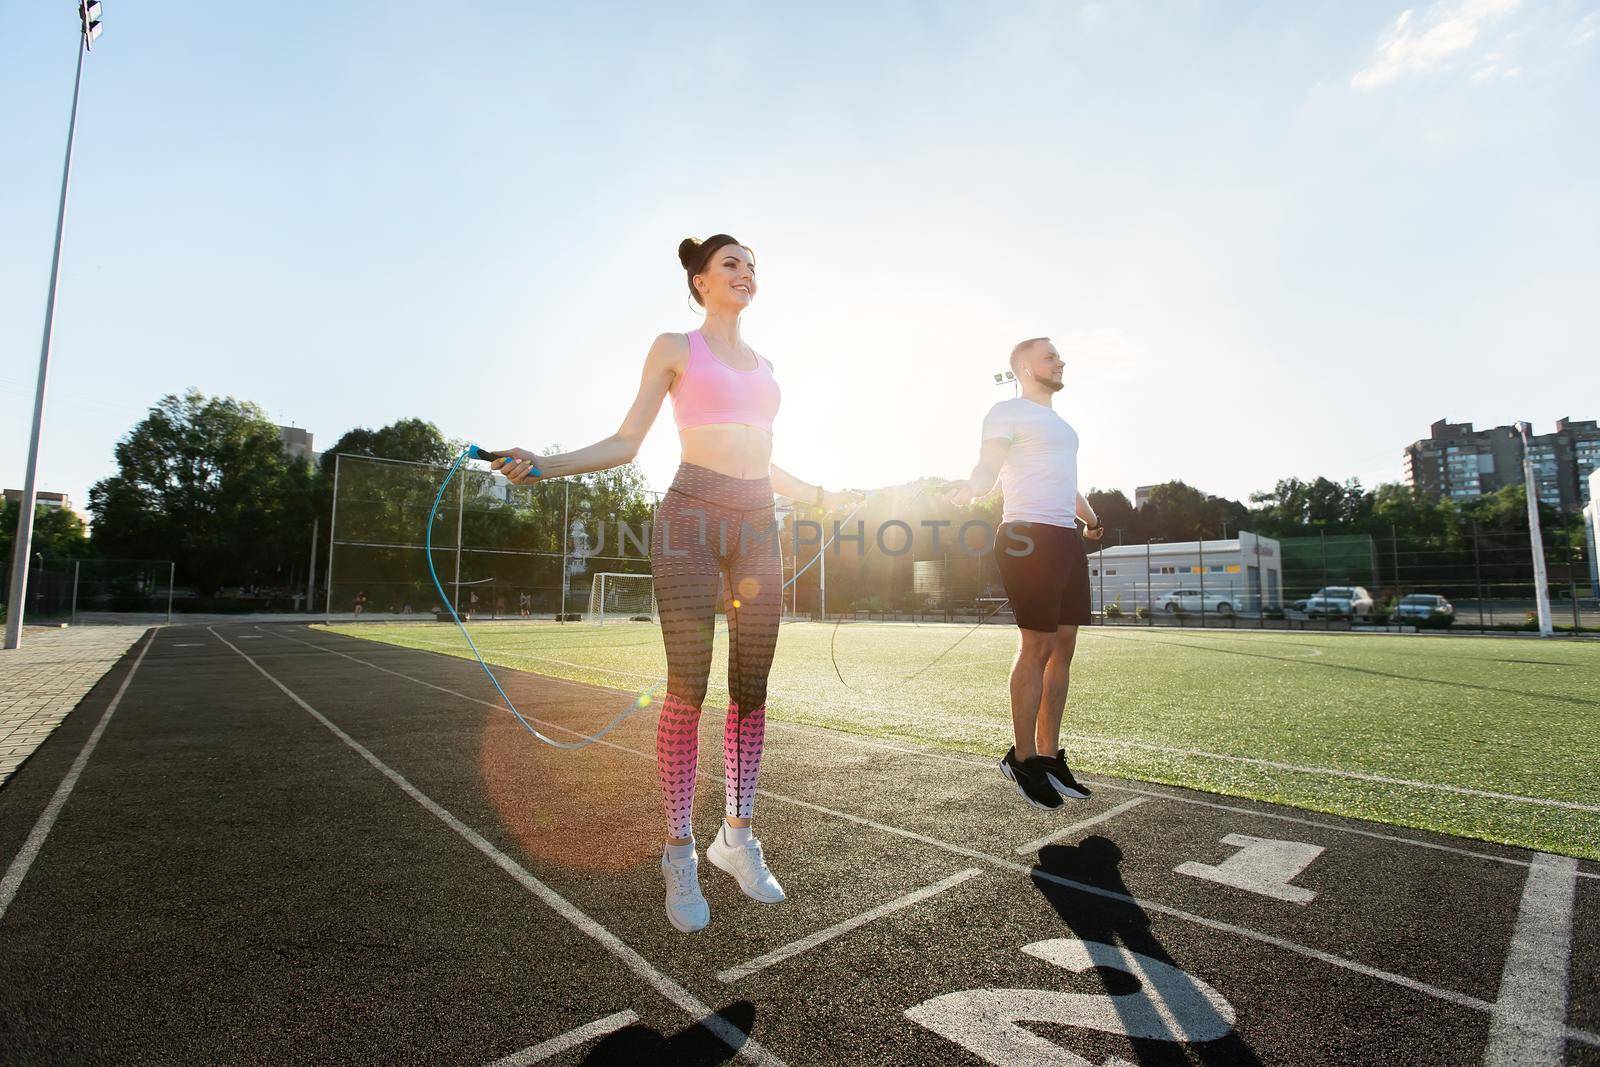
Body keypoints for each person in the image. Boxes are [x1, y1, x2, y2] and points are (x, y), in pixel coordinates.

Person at [491, 234, 858, 933]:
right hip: (689, 517)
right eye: (732, 263)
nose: (747, 272)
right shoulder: (675, 346)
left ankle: (737, 837)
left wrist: (817, 493)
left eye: (753, 264)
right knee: (688, 685)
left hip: (756, 521)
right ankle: (679, 849)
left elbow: (764, 457)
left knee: (752, 689)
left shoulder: (768, 365)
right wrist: (545, 463)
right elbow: (628, 442)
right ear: (699, 279)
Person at [950, 337, 1105, 810]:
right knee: (1036, 645)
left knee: (1064, 649)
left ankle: (1048, 755)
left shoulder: (1062, 425)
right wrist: (972, 487)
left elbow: (1067, 483)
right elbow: (988, 466)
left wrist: (1091, 519)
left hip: (1065, 537)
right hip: (1026, 536)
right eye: (1049, 356)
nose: (1060, 362)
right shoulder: (1005, 411)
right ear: (1023, 366)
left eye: (1059, 357)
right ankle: (1022, 759)